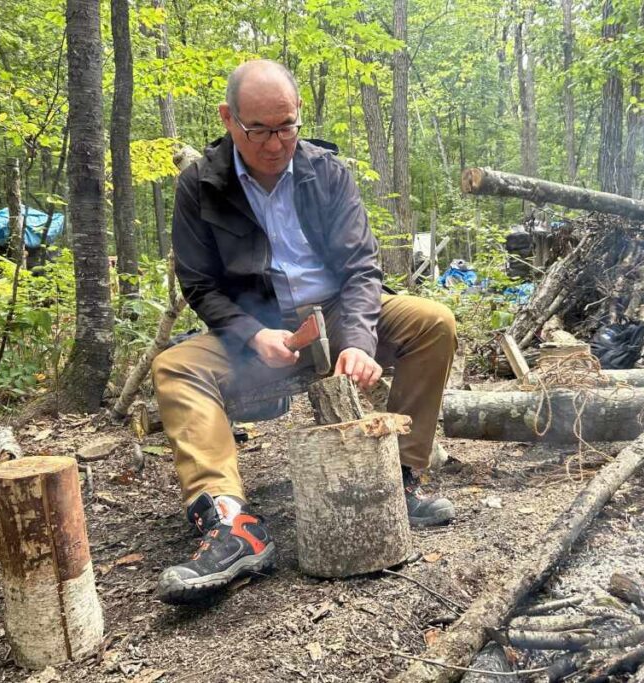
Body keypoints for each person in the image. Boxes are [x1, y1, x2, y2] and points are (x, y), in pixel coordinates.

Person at [151, 60, 457, 604]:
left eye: (286, 126)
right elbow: (200, 284)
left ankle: (400, 480)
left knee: (432, 323)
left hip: (338, 313)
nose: (275, 144)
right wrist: (251, 334)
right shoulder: (201, 185)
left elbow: (363, 269)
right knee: (176, 366)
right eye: (259, 130)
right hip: (259, 329)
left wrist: (360, 340)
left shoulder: (326, 172)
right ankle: (229, 523)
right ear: (228, 119)